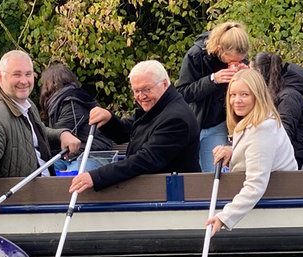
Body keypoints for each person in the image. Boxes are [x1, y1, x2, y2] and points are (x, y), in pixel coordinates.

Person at [0, 50, 81, 219]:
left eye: (28, 74)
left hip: (43, 195)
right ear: (0, 77)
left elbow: (34, 135)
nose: (24, 81)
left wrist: (62, 135)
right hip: (23, 208)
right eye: (16, 75)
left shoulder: (24, 103)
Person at [68, 60, 201, 194]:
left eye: (146, 89)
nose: (141, 96)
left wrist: (96, 177)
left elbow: (147, 160)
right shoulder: (158, 105)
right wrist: (109, 119)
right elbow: (125, 131)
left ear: (164, 84)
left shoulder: (176, 118)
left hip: (172, 195)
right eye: (136, 91)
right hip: (155, 190)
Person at [206, 69, 297, 236]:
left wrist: (223, 217)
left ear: (257, 96)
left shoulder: (262, 128)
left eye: (244, 94)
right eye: (233, 95)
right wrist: (231, 151)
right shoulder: (250, 121)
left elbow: (256, 184)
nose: (237, 101)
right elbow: (254, 151)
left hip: (278, 197)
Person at [176, 21, 250, 172]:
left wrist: (247, 74)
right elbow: (182, 93)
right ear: (220, 49)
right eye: (231, 60)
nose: (235, 63)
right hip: (192, 124)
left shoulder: (241, 59)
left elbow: (249, 95)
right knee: (189, 173)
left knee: (214, 172)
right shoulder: (196, 55)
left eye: (240, 60)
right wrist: (212, 80)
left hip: (217, 124)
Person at [39, 63, 114, 173]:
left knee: (71, 179)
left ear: (49, 85)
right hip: (72, 156)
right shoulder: (65, 100)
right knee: (42, 171)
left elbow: (60, 135)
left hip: (93, 155)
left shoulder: (71, 101)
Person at [251, 52, 303, 168]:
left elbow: (284, 134)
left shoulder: (288, 97)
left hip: (294, 160)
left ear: (259, 72)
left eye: (251, 73)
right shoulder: (278, 94)